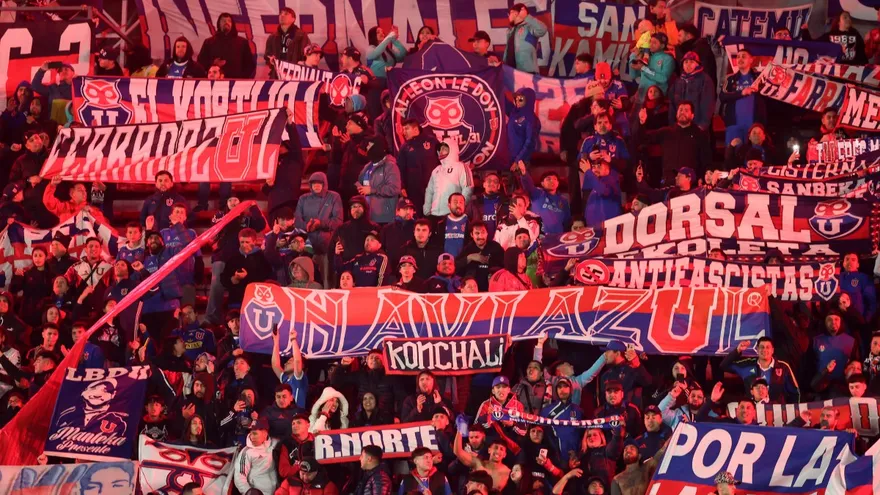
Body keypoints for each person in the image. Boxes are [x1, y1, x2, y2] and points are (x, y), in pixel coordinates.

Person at [635, 101, 713, 184]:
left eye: (686, 110)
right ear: (676, 114)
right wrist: (642, 122)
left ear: (692, 115)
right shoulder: (666, 132)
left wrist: (701, 178)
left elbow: (706, 160)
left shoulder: (699, 134)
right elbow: (643, 138)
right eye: (680, 110)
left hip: (690, 184)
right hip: (668, 183)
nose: (683, 112)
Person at [721, 338, 800, 403]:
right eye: (761, 347)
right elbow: (724, 366)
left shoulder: (783, 367)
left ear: (772, 350)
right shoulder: (747, 364)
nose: (764, 350)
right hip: (752, 413)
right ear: (757, 349)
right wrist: (738, 350)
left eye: (767, 347)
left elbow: (795, 393)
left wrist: (792, 413)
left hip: (776, 415)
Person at [221, 228, 274, 310]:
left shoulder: (263, 257)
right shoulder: (232, 257)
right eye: (242, 242)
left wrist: (248, 277)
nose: (244, 245)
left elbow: (268, 278)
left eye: (247, 242)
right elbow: (224, 279)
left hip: (257, 302)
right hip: (236, 302)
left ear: (254, 241)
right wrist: (234, 279)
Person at [720, 49, 765, 146]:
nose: (740, 59)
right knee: (733, 156)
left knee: (753, 157)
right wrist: (742, 93)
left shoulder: (759, 78)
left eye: (743, 56)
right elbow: (722, 97)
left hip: (755, 126)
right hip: (734, 125)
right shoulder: (730, 79)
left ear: (751, 60)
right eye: (738, 57)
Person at [396, 119, 440, 216]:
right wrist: (402, 186)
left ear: (415, 129)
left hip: (433, 188)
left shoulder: (432, 141)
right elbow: (400, 168)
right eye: (403, 130)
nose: (404, 132)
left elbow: (442, 161)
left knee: (433, 214)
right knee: (417, 215)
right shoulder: (405, 148)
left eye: (406, 129)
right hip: (413, 190)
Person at [356, 136, 401, 224]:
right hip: (368, 215)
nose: (367, 148)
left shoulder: (390, 166)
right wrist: (358, 186)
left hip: (384, 217)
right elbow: (360, 182)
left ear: (377, 147)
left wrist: (372, 190)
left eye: (370, 145)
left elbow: (394, 189)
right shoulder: (368, 166)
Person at [424, 141, 474, 218]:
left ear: (452, 149)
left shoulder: (461, 167)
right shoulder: (436, 170)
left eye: (444, 149)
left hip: (452, 214)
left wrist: (459, 209)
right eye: (440, 149)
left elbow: (468, 188)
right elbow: (429, 191)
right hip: (434, 214)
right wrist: (427, 210)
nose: (441, 151)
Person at [517, 163, 570, 235]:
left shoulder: (564, 201)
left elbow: (567, 221)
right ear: (542, 183)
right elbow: (528, 185)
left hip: (558, 238)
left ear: (558, 183)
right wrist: (524, 173)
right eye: (548, 179)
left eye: (555, 179)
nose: (552, 181)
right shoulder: (538, 193)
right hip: (540, 236)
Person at [197, 13, 256, 79]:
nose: (226, 22)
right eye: (223, 21)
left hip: (236, 83)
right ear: (218, 24)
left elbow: (250, 64)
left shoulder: (242, 42)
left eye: (229, 21)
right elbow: (200, 64)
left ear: (232, 24)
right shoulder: (209, 42)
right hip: (214, 82)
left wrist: (241, 79)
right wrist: (213, 64)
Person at [668, 52, 715, 130]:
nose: (688, 64)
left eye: (692, 62)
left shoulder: (705, 80)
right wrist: (672, 123)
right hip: (680, 125)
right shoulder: (678, 81)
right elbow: (672, 104)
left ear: (697, 64)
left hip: (697, 125)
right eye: (686, 62)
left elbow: (708, 103)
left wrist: (703, 124)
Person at [232, 418, 278, 495]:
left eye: (255, 433)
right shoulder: (247, 452)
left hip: (276, 491)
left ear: (265, 433)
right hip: (257, 491)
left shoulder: (275, 444)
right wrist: (248, 491)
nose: (252, 436)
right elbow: (239, 476)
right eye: (251, 433)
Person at [455, 221, 504, 292]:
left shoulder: (496, 247)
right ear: (472, 235)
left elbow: (505, 266)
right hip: (473, 291)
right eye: (477, 233)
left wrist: (491, 265)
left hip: (493, 289)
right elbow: (455, 267)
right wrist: (469, 258)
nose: (480, 236)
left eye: (483, 232)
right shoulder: (467, 249)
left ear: (487, 233)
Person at [503, 3, 548, 74]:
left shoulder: (528, 27)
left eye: (510, 13)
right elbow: (508, 51)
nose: (509, 16)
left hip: (527, 72)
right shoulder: (510, 31)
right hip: (511, 72)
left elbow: (542, 30)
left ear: (516, 13)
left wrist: (527, 17)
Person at [266, 8, 311, 78]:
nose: (282, 15)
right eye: (281, 13)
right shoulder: (272, 37)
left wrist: (302, 64)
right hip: (276, 75)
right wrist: (270, 60)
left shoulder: (301, 35)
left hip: (295, 76)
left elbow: (307, 55)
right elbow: (267, 55)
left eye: (286, 14)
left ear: (293, 19)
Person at [580, 156, 622, 231]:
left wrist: (588, 172)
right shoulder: (594, 186)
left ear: (607, 168)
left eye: (599, 166)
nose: (595, 169)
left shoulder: (612, 181)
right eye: (593, 167)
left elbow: (603, 190)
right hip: (594, 231)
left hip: (609, 231)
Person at [631, 33, 675, 102]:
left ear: (662, 45)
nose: (650, 44)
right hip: (640, 97)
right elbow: (633, 76)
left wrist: (644, 68)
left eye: (654, 42)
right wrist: (633, 56)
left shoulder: (668, 59)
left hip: (655, 99)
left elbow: (663, 78)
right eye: (650, 42)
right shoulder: (646, 56)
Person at [677, 23, 717, 87]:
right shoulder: (694, 48)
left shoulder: (699, 49)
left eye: (680, 36)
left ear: (688, 36)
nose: (677, 39)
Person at [508, 88, 539, 168]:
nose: (517, 101)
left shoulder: (532, 120)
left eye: (520, 99)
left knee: (520, 180)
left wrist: (518, 160)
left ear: (528, 100)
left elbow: (529, 143)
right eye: (516, 98)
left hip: (521, 163)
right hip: (508, 159)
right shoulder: (514, 113)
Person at [841, 253, 876, 323]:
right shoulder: (837, 277)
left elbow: (871, 301)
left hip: (857, 319)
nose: (849, 262)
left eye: (853, 260)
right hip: (838, 320)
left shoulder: (864, 278)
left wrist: (865, 320)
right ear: (843, 263)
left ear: (858, 264)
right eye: (847, 259)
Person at [436, 193, 469, 258]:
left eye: (461, 202)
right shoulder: (440, 224)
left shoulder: (470, 223)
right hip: (446, 264)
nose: (458, 205)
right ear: (449, 205)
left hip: (464, 263)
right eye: (455, 202)